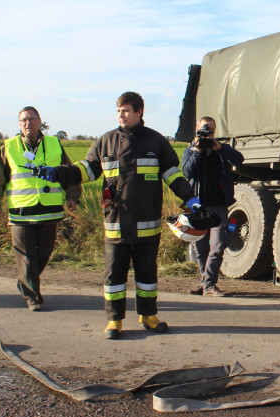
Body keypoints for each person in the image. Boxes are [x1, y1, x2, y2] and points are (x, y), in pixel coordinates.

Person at [37, 92, 211, 339]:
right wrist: (58, 173)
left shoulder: (156, 141)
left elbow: (173, 175)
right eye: (119, 110)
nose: (121, 114)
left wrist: (191, 200)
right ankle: (114, 320)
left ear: (140, 112)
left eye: (126, 110)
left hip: (147, 225)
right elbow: (86, 170)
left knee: (147, 275)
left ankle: (148, 316)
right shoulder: (106, 141)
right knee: (114, 276)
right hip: (116, 223)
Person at [0, 106, 80, 312]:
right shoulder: (8, 147)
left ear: (40, 121)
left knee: (44, 253)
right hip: (21, 212)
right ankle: (32, 297)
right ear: (20, 125)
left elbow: (69, 172)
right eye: (23, 120)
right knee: (26, 255)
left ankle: (25, 281)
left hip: (49, 210)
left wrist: (73, 196)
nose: (28, 123)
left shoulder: (55, 145)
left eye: (31, 119)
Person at [181, 116, 244, 297]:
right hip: (197, 206)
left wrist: (221, 148)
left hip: (218, 206)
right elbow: (187, 172)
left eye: (211, 131)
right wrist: (198, 151)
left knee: (218, 245)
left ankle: (208, 284)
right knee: (200, 249)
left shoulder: (220, 150)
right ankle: (207, 284)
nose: (207, 134)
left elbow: (239, 160)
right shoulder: (190, 150)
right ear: (196, 129)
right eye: (204, 130)